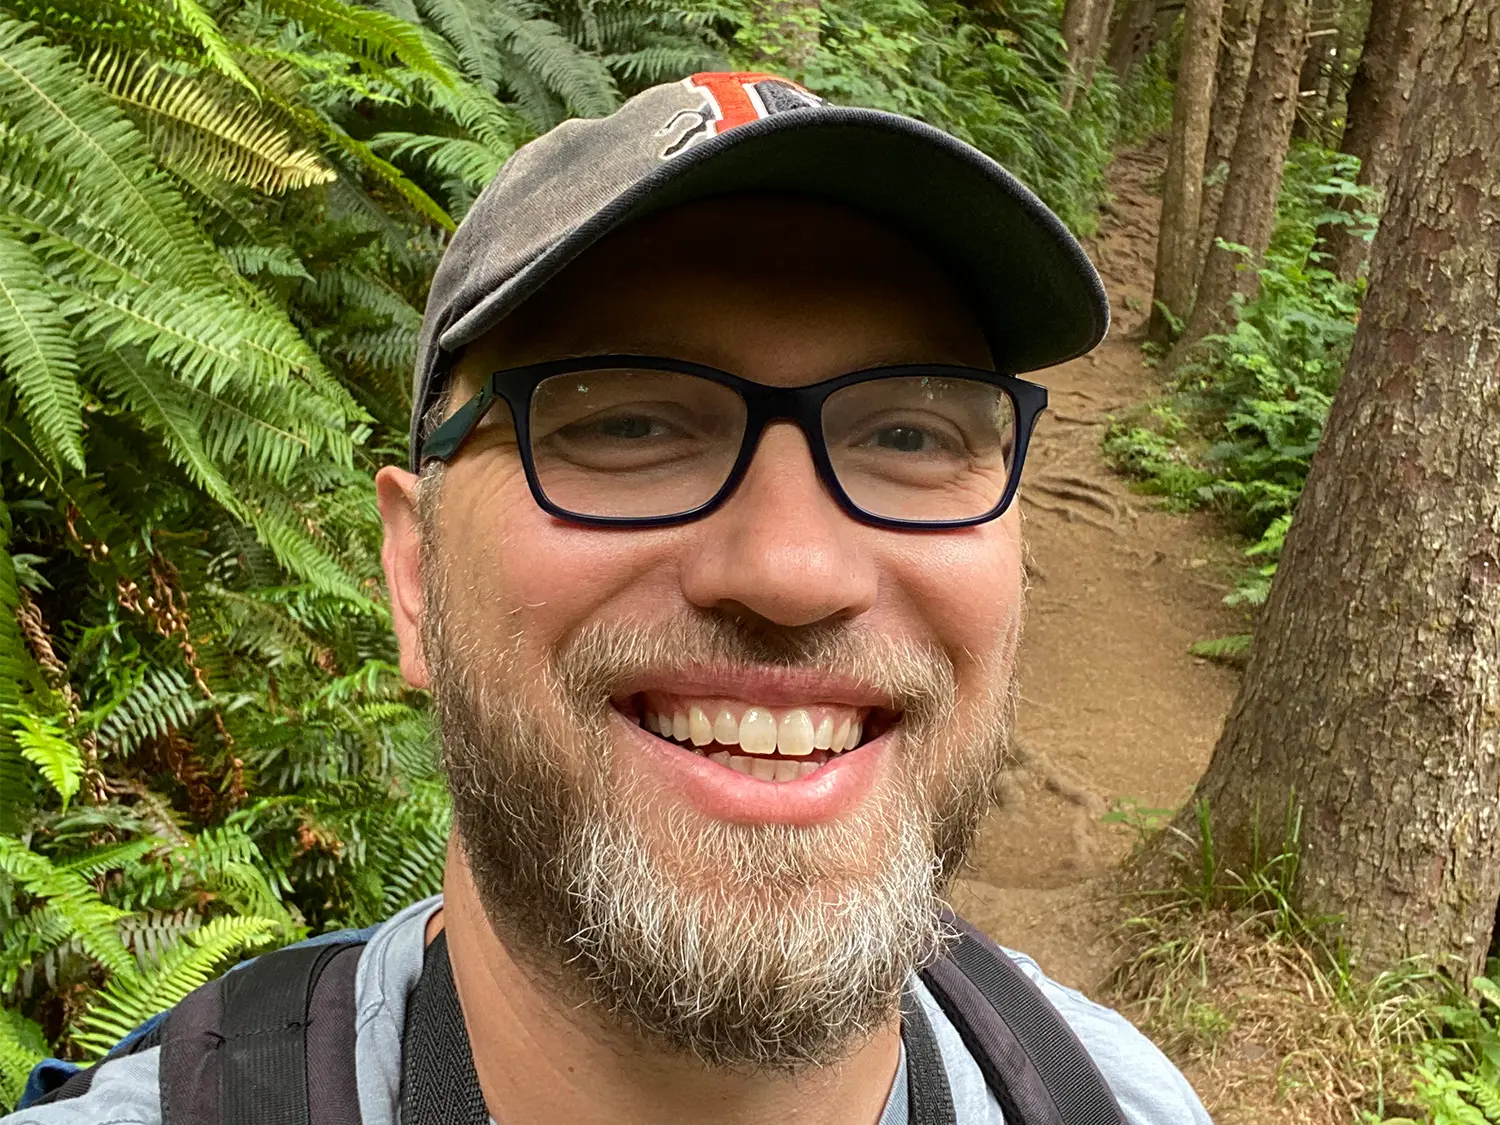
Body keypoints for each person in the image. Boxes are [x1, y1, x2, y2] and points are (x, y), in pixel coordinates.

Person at [7, 72, 1210, 1125]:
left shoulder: (1121, 1097)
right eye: (627, 423)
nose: (793, 571)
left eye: (909, 431)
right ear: (417, 577)